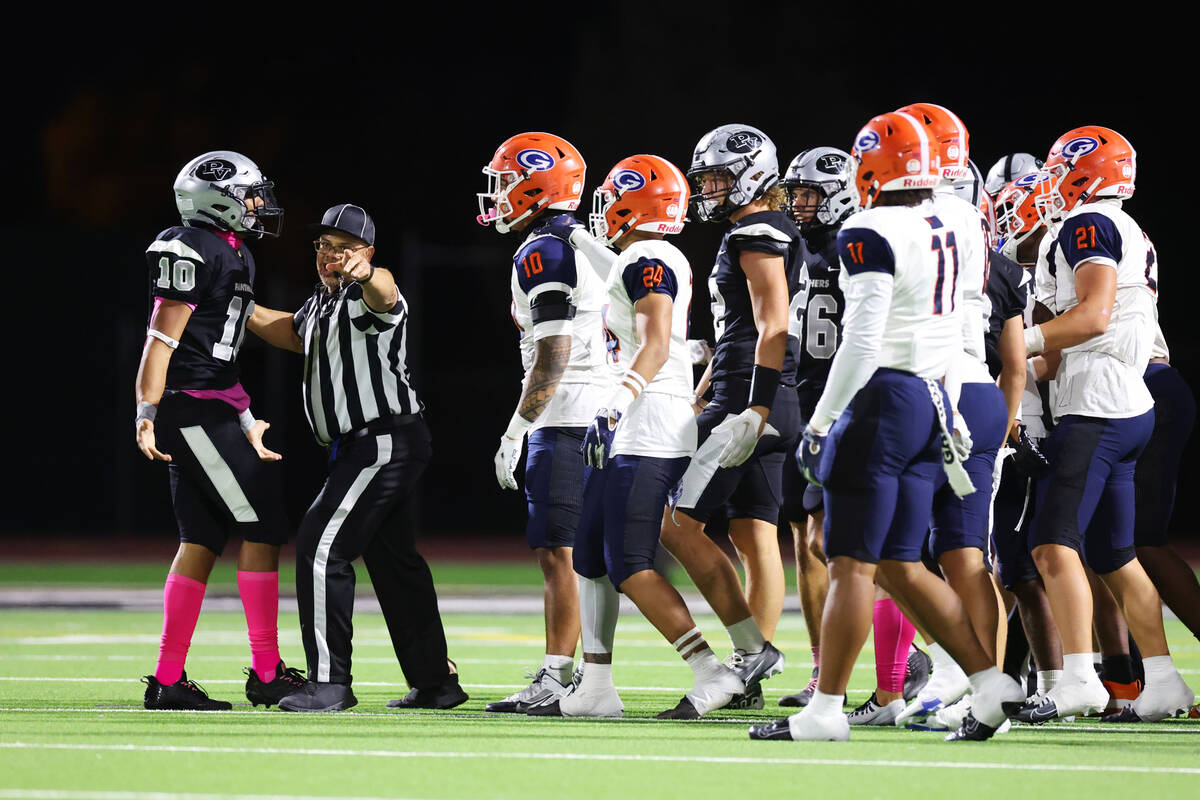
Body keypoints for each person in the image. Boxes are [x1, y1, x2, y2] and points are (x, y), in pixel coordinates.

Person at [749, 111, 1024, 743]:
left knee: (850, 561)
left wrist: (819, 425)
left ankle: (824, 711)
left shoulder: (868, 228)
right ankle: (988, 680)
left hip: (888, 396)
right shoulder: (959, 217)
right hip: (937, 396)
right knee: (900, 561)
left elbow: (862, 342)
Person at [532, 154, 746, 719]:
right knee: (590, 559)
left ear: (634, 203)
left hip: (646, 423)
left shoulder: (650, 257)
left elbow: (653, 343)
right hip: (634, 420)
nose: (603, 209)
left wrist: (615, 404)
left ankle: (714, 670)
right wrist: (575, 235)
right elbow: (619, 272)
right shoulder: (639, 256)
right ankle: (597, 685)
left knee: (629, 564)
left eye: (612, 198)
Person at [247, 203, 465, 712]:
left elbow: (386, 293)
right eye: (324, 246)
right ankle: (436, 681)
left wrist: (366, 272)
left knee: (321, 546)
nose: (330, 256)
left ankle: (329, 683)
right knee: (394, 563)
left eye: (344, 247)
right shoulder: (321, 305)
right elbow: (293, 332)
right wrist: (236, 305)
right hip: (364, 446)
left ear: (366, 252)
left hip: (382, 441)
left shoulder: (366, 295)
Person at [1023, 126, 1194, 722]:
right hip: (1124, 401)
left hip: (1099, 400)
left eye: (1057, 170)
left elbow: (1093, 316)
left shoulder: (1087, 223)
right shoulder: (1122, 225)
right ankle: (1165, 679)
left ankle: (1078, 679)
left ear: (1086, 172)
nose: (1049, 183)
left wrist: (1022, 339)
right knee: (1115, 553)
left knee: (1051, 545)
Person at [136, 150, 304, 711]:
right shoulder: (194, 246)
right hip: (190, 409)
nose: (259, 204)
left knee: (202, 539)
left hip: (208, 406)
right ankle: (266, 672)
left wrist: (245, 413)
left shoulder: (233, 253)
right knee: (265, 525)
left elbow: (229, 344)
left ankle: (167, 679)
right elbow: (162, 338)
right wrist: (147, 407)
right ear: (218, 198)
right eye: (250, 194)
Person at [476, 132, 611, 712]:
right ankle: (589, 678)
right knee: (592, 554)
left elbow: (554, 351)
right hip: (605, 409)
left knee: (561, 552)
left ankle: (559, 676)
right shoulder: (589, 242)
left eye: (506, 182)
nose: (499, 194)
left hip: (566, 414)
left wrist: (516, 429)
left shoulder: (543, 251)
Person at [666, 123, 796, 691]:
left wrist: (755, 406)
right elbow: (748, 324)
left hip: (751, 398)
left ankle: (751, 649)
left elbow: (774, 322)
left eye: (719, 178)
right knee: (754, 534)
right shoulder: (789, 229)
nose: (710, 190)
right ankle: (752, 671)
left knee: (676, 525)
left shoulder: (755, 231)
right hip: (772, 393)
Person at [774, 146, 854, 708]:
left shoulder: (861, 243)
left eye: (810, 195)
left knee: (843, 541)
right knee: (805, 539)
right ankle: (821, 669)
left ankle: (927, 657)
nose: (799, 205)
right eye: (795, 194)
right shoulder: (792, 246)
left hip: (847, 406)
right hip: (801, 402)